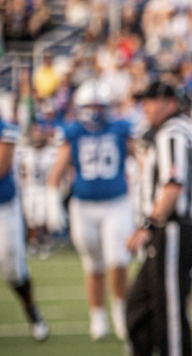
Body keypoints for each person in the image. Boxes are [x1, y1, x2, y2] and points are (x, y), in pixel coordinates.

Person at [102, 82, 192, 356]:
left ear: (168, 103)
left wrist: (149, 224)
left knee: (169, 317)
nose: (146, 107)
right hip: (168, 231)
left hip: (173, 230)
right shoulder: (174, 132)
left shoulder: (173, 134)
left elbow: (174, 184)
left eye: (151, 100)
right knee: (138, 310)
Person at [48, 81, 137, 341]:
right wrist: (53, 199)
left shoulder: (121, 129)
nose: (96, 111)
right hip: (83, 206)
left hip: (116, 203)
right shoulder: (73, 132)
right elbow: (58, 169)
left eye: (101, 105)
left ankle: (122, 314)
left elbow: (141, 157)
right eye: (92, 106)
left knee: (118, 262)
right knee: (93, 265)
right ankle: (98, 317)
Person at [0, 115, 49, 341]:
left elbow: (2, 165)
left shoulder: (4, 124)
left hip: (3, 205)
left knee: (11, 266)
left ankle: (31, 310)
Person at [18, 124, 58, 258]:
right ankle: (33, 243)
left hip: (44, 189)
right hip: (29, 188)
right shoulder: (25, 152)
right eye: (35, 134)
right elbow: (21, 171)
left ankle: (45, 242)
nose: (37, 137)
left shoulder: (51, 152)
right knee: (31, 218)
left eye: (39, 134)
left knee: (43, 217)